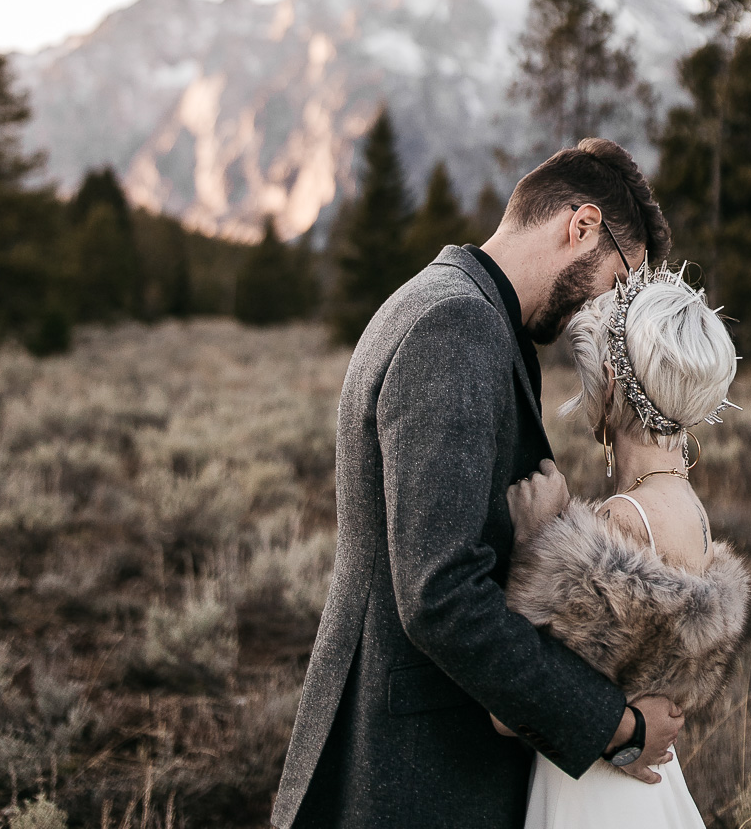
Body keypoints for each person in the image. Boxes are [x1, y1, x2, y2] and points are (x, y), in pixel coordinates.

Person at [272, 138, 683, 829]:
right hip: (414, 772)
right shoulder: (456, 325)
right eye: (617, 282)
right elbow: (442, 594)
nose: (606, 312)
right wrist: (611, 723)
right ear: (580, 227)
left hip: (408, 756)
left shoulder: (454, 305)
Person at [502, 262, 751, 828]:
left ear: (611, 380)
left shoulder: (621, 521)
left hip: (589, 796)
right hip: (651, 790)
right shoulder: (693, 513)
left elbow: (510, 705)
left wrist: (534, 545)